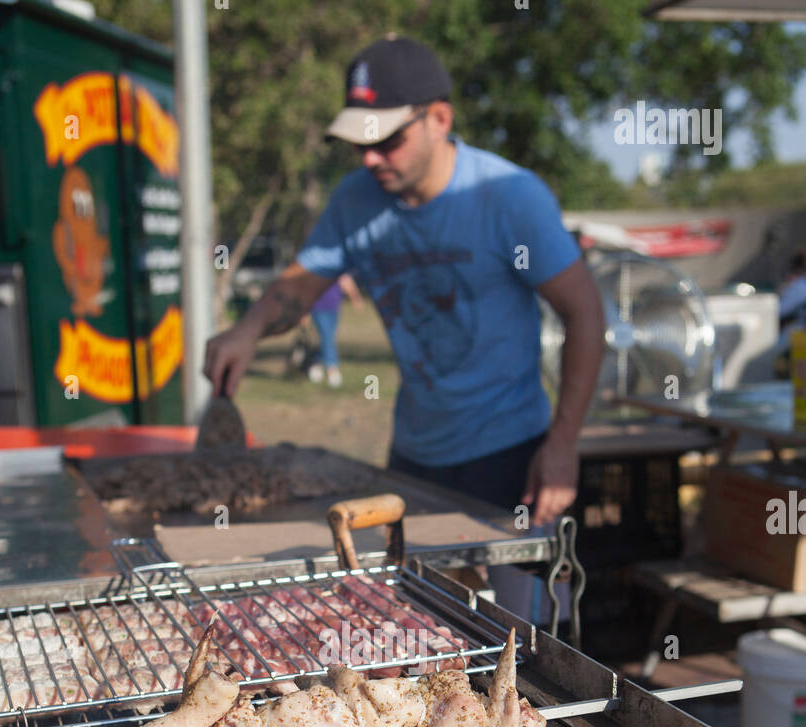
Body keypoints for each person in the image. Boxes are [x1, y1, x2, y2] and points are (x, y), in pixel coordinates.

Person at [204, 36, 606, 615]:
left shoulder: (508, 196)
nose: (369, 158)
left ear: (439, 118)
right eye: (358, 143)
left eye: (386, 139)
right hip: (413, 457)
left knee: (531, 647)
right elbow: (297, 287)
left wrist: (564, 442)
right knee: (418, 627)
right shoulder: (355, 201)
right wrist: (249, 329)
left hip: (512, 454)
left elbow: (585, 310)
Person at [308, 273, 363, 387]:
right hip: (318, 307)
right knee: (327, 337)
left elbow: (346, 281)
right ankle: (332, 370)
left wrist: (355, 298)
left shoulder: (336, 264)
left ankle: (316, 364)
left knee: (327, 337)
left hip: (334, 307)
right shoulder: (315, 268)